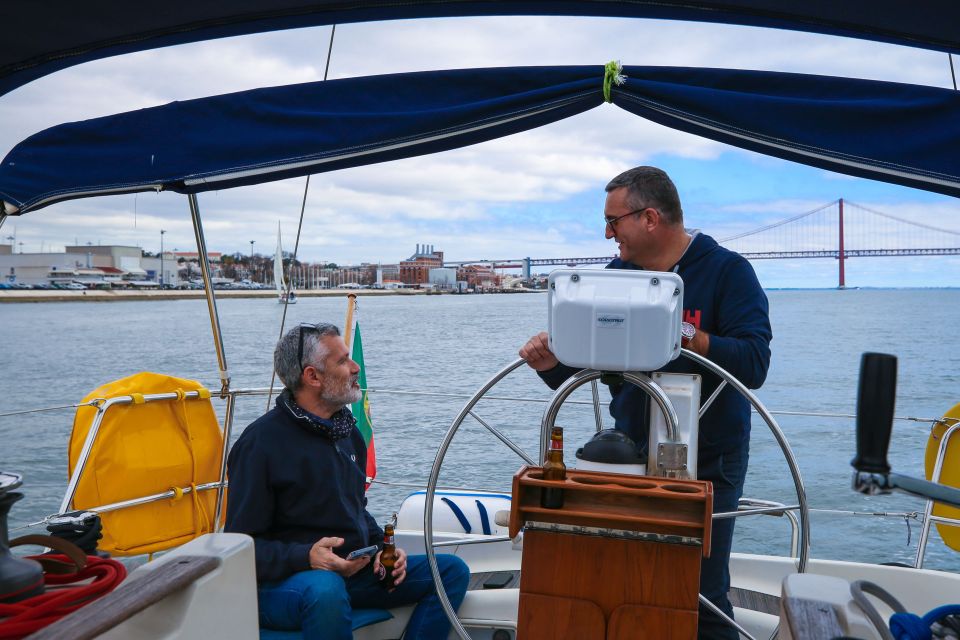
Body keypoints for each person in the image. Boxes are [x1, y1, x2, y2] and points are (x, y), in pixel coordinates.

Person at [520, 166, 772, 640]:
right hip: (630, 455)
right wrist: (548, 361)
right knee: (629, 575)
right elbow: (581, 366)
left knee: (703, 590)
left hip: (710, 458)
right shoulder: (616, 277)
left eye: (614, 221)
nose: (608, 233)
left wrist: (688, 337)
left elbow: (755, 363)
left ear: (650, 218)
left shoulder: (728, 272)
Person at [226, 322, 469, 640]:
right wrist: (307, 557)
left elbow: (354, 510)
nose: (355, 368)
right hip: (283, 586)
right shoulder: (261, 443)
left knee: (450, 572)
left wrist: (385, 548)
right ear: (312, 376)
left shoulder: (347, 434)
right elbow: (241, 547)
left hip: (350, 573)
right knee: (325, 588)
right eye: (342, 361)